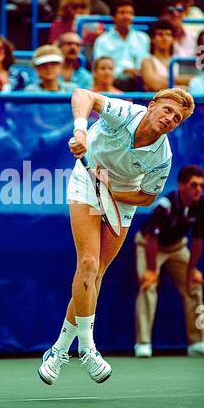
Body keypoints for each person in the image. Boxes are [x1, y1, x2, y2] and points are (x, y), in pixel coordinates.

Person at [38, 87, 195, 385]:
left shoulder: (162, 158)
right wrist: (81, 132)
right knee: (87, 263)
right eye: (167, 110)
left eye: (177, 118)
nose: (170, 118)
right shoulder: (124, 113)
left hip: (122, 197)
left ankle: (58, 350)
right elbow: (83, 94)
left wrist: (113, 193)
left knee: (95, 275)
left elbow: (147, 197)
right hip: (88, 178)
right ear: (151, 106)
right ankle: (87, 349)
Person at [134, 165, 204, 358]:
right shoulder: (165, 205)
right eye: (194, 185)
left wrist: (191, 272)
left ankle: (197, 342)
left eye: (201, 185)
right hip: (149, 246)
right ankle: (143, 343)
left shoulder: (200, 206)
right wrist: (150, 270)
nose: (198, 189)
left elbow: (198, 240)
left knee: (195, 286)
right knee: (148, 286)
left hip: (177, 248)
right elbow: (151, 238)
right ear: (181, 185)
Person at [93, 0, 150, 91]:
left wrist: (137, 72)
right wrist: (123, 71)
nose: (126, 16)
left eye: (129, 13)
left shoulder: (143, 38)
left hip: (139, 81)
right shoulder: (102, 40)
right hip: (113, 81)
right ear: (113, 17)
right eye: (122, 13)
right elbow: (100, 67)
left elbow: (144, 63)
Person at [141, 20, 192, 92]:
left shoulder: (178, 60)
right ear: (152, 39)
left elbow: (195, 81)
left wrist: (163, 80)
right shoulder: (147, 61)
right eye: (160, 34)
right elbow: (155, 84)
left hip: (180, 101)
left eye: (168, 34)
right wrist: (182, 81)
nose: (164, 38)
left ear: (173, 39)